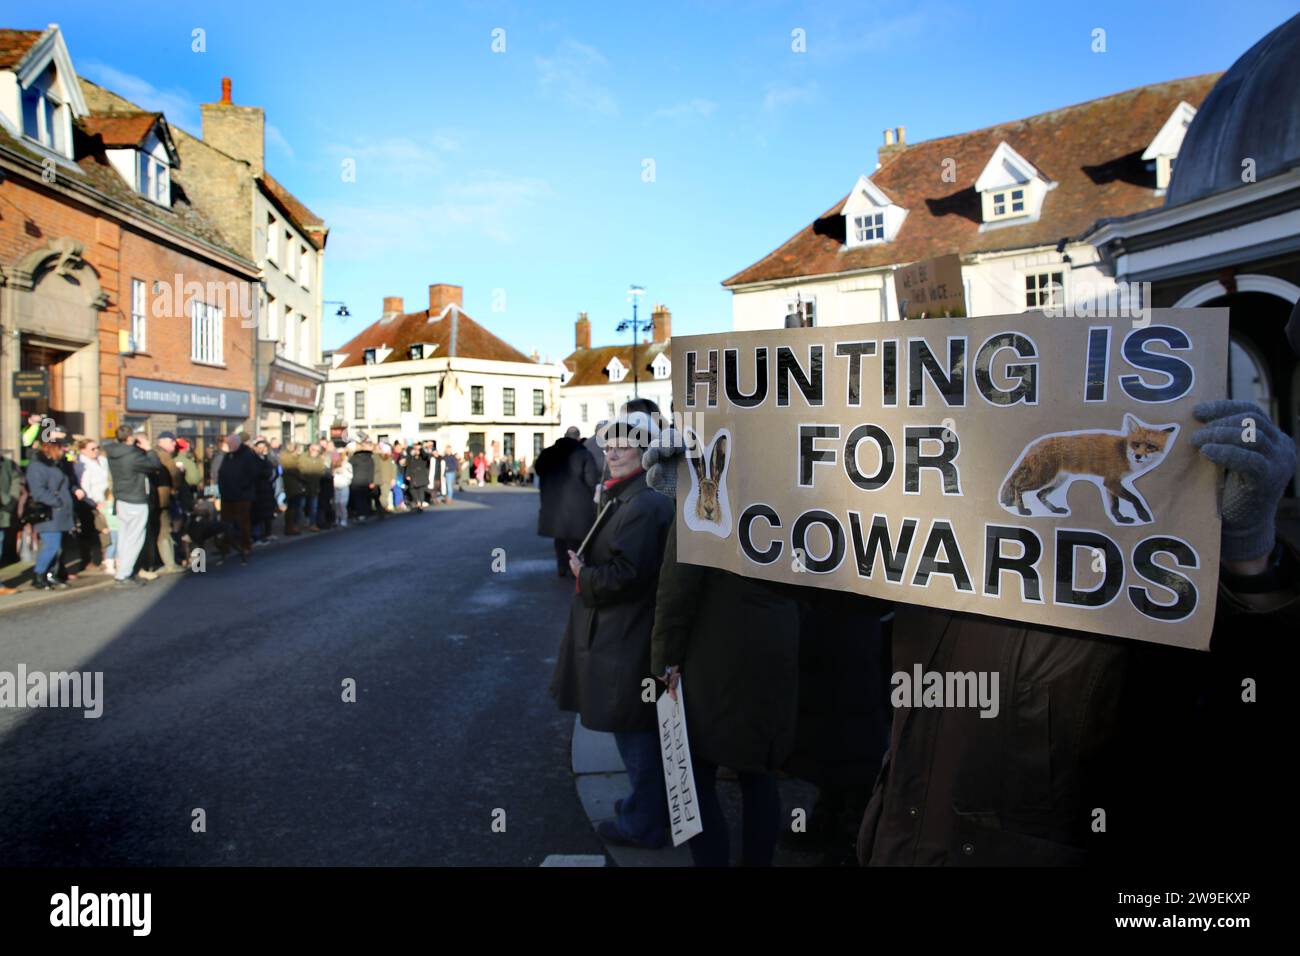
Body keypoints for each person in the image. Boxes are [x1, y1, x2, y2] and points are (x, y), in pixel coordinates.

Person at [856, 398, 1299, 866]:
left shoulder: (1142, 569)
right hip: (900, 836)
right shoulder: (938, 509)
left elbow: (1247, 698)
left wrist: (1248, 558)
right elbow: (824, 587)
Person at [644, 428, 803, 867]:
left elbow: (676, 590)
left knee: (695, 772)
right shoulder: (788, 483)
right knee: (759, 770)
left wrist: (664, 661)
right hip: (776, 641)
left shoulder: (702, 502)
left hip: (715, 654)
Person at [549, 411, 674, 848]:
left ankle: (645, 823)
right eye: (610, 444)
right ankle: (645, 809)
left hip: (628, 636)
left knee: (636, 733)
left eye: (626, 444)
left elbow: (630, 574)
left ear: (645, 451)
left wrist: (586, 576)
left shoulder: (643, 503)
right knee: (633, 730)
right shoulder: (631, 495)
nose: (614, 450)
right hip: (623, 633)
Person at [535, 426, 600, 577]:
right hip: (578, 504)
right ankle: (573, 567)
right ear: (578, 438)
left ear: (564, 436)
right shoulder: (584, 454)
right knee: (575, 539)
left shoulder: (547, 453)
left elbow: (538, 469)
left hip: (553, 502)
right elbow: (591, 480)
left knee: (560, 537)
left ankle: (561, 566)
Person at [102, 425, 161, 587]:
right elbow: (155, 466)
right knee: (134, 539)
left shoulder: (112, 453)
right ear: (130, 438)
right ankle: (124, 574)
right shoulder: (133, 455)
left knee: (124, 537)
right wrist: (149, 449)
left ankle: (123, 570)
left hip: (121, 498)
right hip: (136, 498)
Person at [24, 440, 75, 590]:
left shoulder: (55, 465)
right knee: (51, 546)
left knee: (58, 548)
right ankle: (38, 575)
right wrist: (57, 502)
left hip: (60, 512)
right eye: (61, 449)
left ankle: (51, 574)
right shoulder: (37, 467)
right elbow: (38, 491)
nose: (64, 452)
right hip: (49, 512)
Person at [216, 432, 258, 564]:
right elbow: (221, 473)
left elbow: (252, 474)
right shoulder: (228, 456)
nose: (229, 445)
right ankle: (226, 547)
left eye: (231, 443)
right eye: (228, 444)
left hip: (242, 496)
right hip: (227, 496)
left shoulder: (247, 455)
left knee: (243, 522)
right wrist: (222, 489)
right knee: (225, 523)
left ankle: (245, 545)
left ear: (237, 443)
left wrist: (241, 486)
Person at [73, 438, 110, 572]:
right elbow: (84, 487)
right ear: (83, 450)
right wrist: (94, 503)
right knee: (92, 532)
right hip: (90, 502)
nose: (96, 451)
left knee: (108, 530)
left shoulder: (103, 461)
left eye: (97, 448)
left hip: (107, 500)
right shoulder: (81, 465)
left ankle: (107, 558)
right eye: (92, 449)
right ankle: (90, 560)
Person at [151, 431, 184, 573]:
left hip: (151, 497)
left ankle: (161, 561)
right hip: (162, 496)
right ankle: (170, 563)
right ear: (162, 441)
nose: (174, 445)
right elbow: (174, 474)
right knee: (164, 529)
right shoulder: (164, 455)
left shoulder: (151, 453)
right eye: (172, 442)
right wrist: (175, 488)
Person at [299, 443, 327, 531]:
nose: (316, 452)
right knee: (301, 506)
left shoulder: (319, 459)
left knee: (313, 507)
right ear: (310, 449)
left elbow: (322, 471)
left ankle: (312, 524)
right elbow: (301, 470)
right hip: (304, 486)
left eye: (318, 451)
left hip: (315, 486)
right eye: (315, 450)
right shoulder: (303, 457)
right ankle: (300, 524)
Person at [280, 440, 305, 535]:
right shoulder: (287, 457)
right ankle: (290, 527)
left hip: (295, 485)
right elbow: (295, 470)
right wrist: (303, 477)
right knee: (292, 507)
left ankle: (293, 525)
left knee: (295, 506)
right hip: (292, 485)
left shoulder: (293, 457)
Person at [349, 441, 375, 521]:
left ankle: (360, 513)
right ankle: (366, 512)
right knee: (365, 498)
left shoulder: (354, 458)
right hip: (366, 481)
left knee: (358, 499)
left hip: (356, 480)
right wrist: (371, 481)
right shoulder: (370, 457)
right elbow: (372, 470)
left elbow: (350, 469)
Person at [332, 449, 353, 528]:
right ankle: (337, 518)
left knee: (342, 503)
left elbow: (350, 476)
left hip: (344, 486)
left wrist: (343, 472)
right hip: (336, 485)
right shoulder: (334, 464)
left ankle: (344, 519)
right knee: (336, 503)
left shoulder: (347, 465)